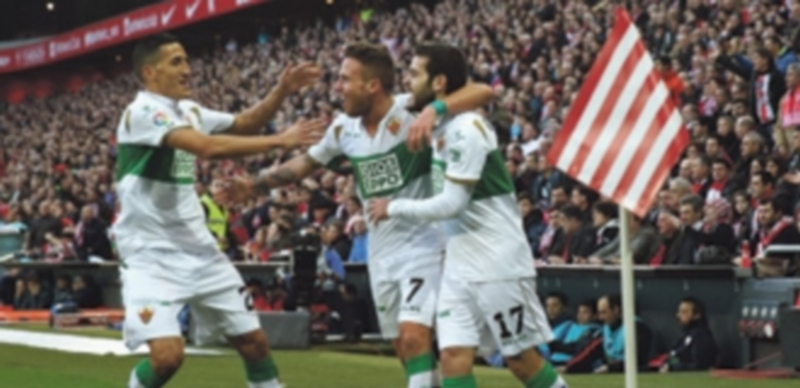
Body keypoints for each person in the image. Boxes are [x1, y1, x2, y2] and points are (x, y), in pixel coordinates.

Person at [219, 42, 494, 388]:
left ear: (372, 85)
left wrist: (433, 109)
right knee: (405, 348)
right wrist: (254, 185)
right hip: (381, 252)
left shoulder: (409, 109)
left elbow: (483, 91)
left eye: (345, 79)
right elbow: (305, 163)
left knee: (414, 336)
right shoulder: (343, 129)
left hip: (424, 243)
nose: (337, 87)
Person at [116, 33, 325, 388]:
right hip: (150, 255)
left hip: (200, 251)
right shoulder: (143, 112)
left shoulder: (189, 111)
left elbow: (245, 123)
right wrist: (281, 140)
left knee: (254, 344)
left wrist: (281, 91)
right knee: (167, 358)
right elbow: (207, 148)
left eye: (186, 60)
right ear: (150, 72)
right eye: (176, 62)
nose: (187, 69)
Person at [368, 43, 567, 388]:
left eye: (415, 73)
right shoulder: (441, 124)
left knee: (521, 360)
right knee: (452, 357)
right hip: (460, 263)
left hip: (497, 261)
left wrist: (393, 208)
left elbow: (452, 204)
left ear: (439, 82)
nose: (408, 80)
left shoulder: (467, 127)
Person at [652, 297, 718, 372]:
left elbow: (699, 366)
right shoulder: (686, 336)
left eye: (684, 312)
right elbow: (674, 357)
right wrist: (669, 363)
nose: (678, 316)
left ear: (697, 315)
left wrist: (673, 368)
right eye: (679, 312)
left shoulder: (701, 337)